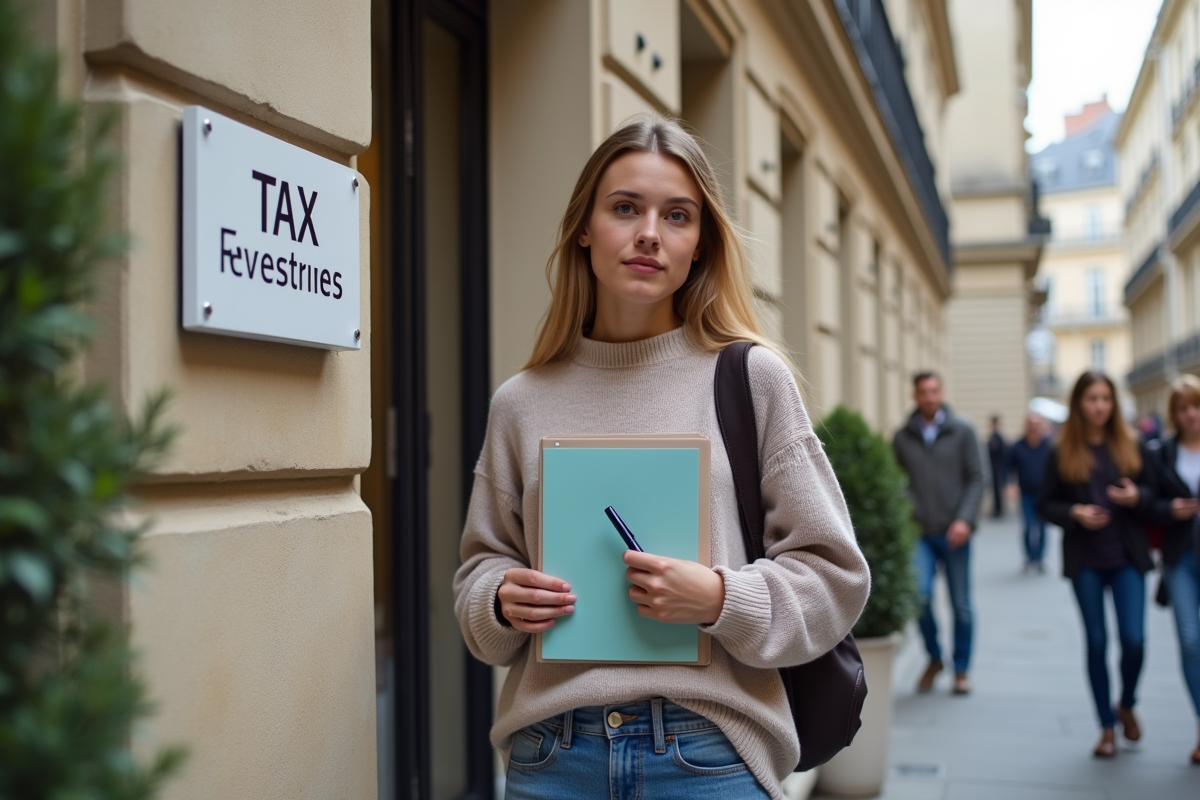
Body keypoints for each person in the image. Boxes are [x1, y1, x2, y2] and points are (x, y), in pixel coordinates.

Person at [452, 117, 870, 800]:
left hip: (709, 755)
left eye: (677, 215)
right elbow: (480, 570)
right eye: (625, 208)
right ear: (584, 228)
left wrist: (720, 598)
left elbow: (836, 579)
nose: (650, 232)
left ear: (700, 243)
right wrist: (499, 599)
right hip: (551, 757)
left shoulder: (751, 379)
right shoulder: (521, 402)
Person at [1037, 371, 1154, 759]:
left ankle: (1127, 702)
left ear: (1113, 403)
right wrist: (1074, 512)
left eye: (1105, 398)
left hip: (1127, 558)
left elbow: (1158, 493)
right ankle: (1106, 726)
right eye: (1092, 399)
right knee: (1098, 642)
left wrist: (1138, 496)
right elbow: (1045, 504)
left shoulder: (1132, 445)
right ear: (1079, 403)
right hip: (1086, 560)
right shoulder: (1062, 450)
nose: (1099, 406)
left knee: (1134, 640)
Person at [893, 372, 984, 696]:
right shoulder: (902, 437)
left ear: (942, 393)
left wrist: (964, 520)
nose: (930, 397)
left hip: (955, 532)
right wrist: (907, 514)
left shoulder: (962, 431)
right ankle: (934, 657)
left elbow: (977, 478)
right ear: (914, 396)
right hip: (921, 534)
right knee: (920, 596)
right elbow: (896, 482)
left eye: (934, 391)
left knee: (961, 605)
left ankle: (961, 669)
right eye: (923, 392)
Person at [1141, 375, 1200, 764]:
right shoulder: (1161, 452)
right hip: (1181, 558)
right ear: (1174, 414)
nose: (1191, 414)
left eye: (1196, 405)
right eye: (1183, 408)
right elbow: (1149, 501)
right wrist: (1168, 510)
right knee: (1190, 641)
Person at [1004, 413, 1052, 573]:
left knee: (1042, 527)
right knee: (1028, 526)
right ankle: (1029, 557)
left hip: (1045, 494)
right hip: (1026, 494)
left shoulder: (1048, 445)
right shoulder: (1017, 446)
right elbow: (1008, 468)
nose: (1033, 427)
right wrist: (1009, 485)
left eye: (1036, 424)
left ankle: (1039, 559)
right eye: (1030, 424)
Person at [987, 415, 1007, 518]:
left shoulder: (998, 438)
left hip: (997, 468)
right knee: (995, 491)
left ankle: (998, 510)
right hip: (994, 468)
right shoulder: (993, 437)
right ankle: (997, 509)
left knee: (997, 491)